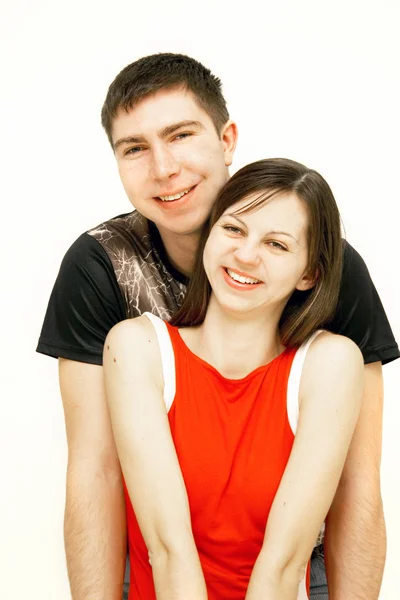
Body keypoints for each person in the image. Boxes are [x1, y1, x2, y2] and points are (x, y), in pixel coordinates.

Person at [36, 53, 399, 600]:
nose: (163, 169)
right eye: (134, 148)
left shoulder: (330, 270)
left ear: (227, 139)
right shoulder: (102, 266)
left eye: (179, 135)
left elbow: (357, 485)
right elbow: (96, 473)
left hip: (299, 563)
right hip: (159, 562)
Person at [103, 157, 364, 600]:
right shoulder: (137, 348)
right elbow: (168, 551)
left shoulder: (330, 364)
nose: (246, 254)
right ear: (210, 235)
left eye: (277, 245)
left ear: (309, 274)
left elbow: (283, 564)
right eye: (234, 229)